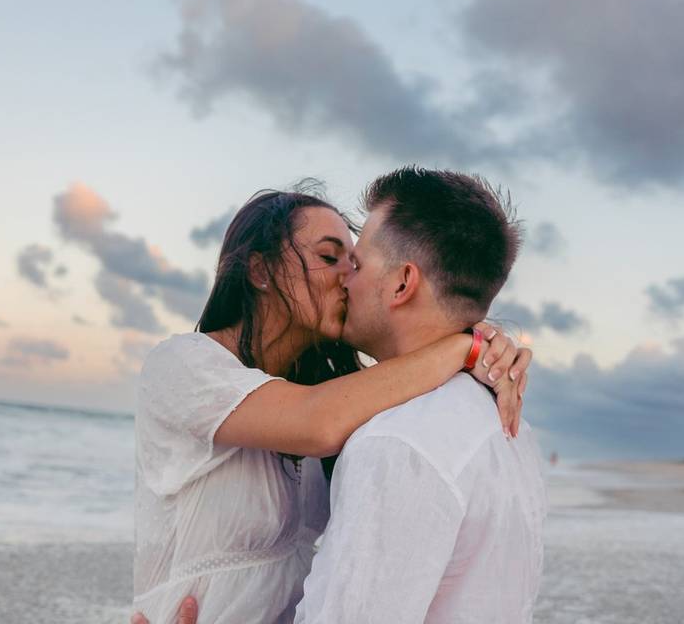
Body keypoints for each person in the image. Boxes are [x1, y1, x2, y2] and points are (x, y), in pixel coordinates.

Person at [131, 185, 533, 624]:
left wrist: (483, 341)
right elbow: (316, 422)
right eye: (330, 257)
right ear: (261, 270)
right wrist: (463, 348)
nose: (348, 276)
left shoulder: (341, 393)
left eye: (355, 262)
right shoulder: (183, 365)